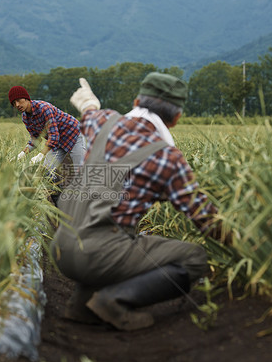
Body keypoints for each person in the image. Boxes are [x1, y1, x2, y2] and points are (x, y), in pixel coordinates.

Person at [51, 73, 232, 331]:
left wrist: (89, 103)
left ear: (136, 101)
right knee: (194, 257)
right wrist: (247, 244)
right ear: (177, 118)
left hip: (61, 247)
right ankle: (114, 301)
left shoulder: (102, 122)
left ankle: (81, 306)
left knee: (103, 230)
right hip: (98, 255)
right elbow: (205, 219)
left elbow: (90, 112)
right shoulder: (168, 158)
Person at [8, 85, 86, 172]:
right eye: (14, 103)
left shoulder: (44, 109)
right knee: (46, 172)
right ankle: (60, 184)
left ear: (26, 98)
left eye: (18, 100)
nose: (17, 105)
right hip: (57, 144)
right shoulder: (25, 118)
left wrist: (40, 155)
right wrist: (21, 154)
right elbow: (35, 139)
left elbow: (54, 136)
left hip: (73, 135)